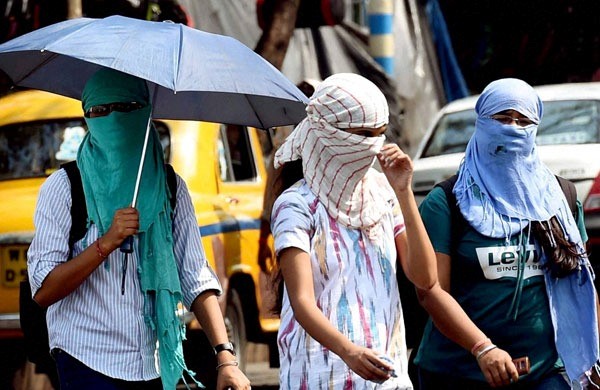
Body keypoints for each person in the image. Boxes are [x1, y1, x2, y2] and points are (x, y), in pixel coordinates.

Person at [27, 68, 250, 390]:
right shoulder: (64, 187)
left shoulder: (170, 188)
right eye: (100, 111)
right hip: (84, 356)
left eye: (126, 108)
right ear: (87, 117)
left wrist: (226, 358)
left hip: (154, 360)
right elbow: (44, 290)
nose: (113, 119)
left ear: (145, 114)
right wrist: (107, 242)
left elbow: (194, 276)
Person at [414, 78, 600, 389]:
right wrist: (482, 348)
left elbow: (581, 283)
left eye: (523, 121)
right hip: (459, 373)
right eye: (502, 118)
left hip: (546, 373)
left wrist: (592, 356)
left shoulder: (559, 198)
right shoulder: (446, 202)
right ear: (481, 122)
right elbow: (430, 291)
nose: (512, 129)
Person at [269, 73, 438, 389]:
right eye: (362, 134)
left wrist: (404, 191)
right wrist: (349, 352)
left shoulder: (382, 193)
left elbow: (425, 278)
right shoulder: (297, 204)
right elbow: (302, 300)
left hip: (385, 376)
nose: (373, 145)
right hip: (320, 376)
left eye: (380, 134)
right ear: (327, 133)